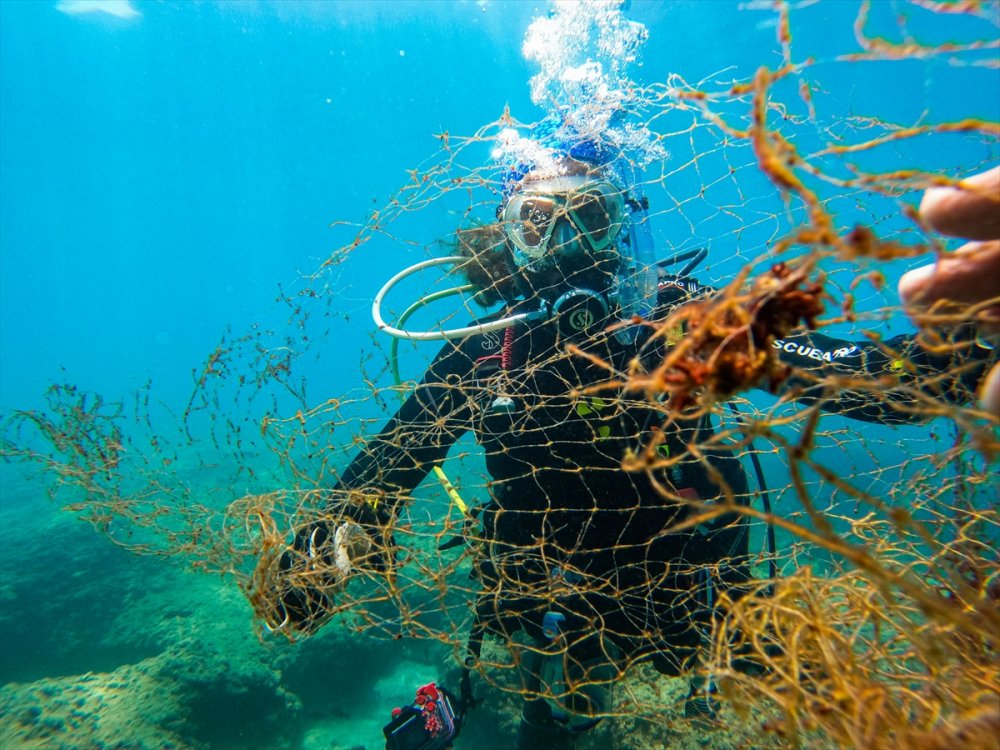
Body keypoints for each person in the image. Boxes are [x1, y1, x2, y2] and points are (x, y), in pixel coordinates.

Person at [260, 134, 997, 749]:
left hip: (692, 594)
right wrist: (321, 551)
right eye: (539, 220)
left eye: (591, 216)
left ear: (623, 223)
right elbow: (391, 465)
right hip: (549, 600)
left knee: (775, 699)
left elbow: (849, 377)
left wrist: (961, 362)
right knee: (554, 720)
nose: (568, 241)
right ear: (508, 236)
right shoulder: (483, 350)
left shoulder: (684, 322)